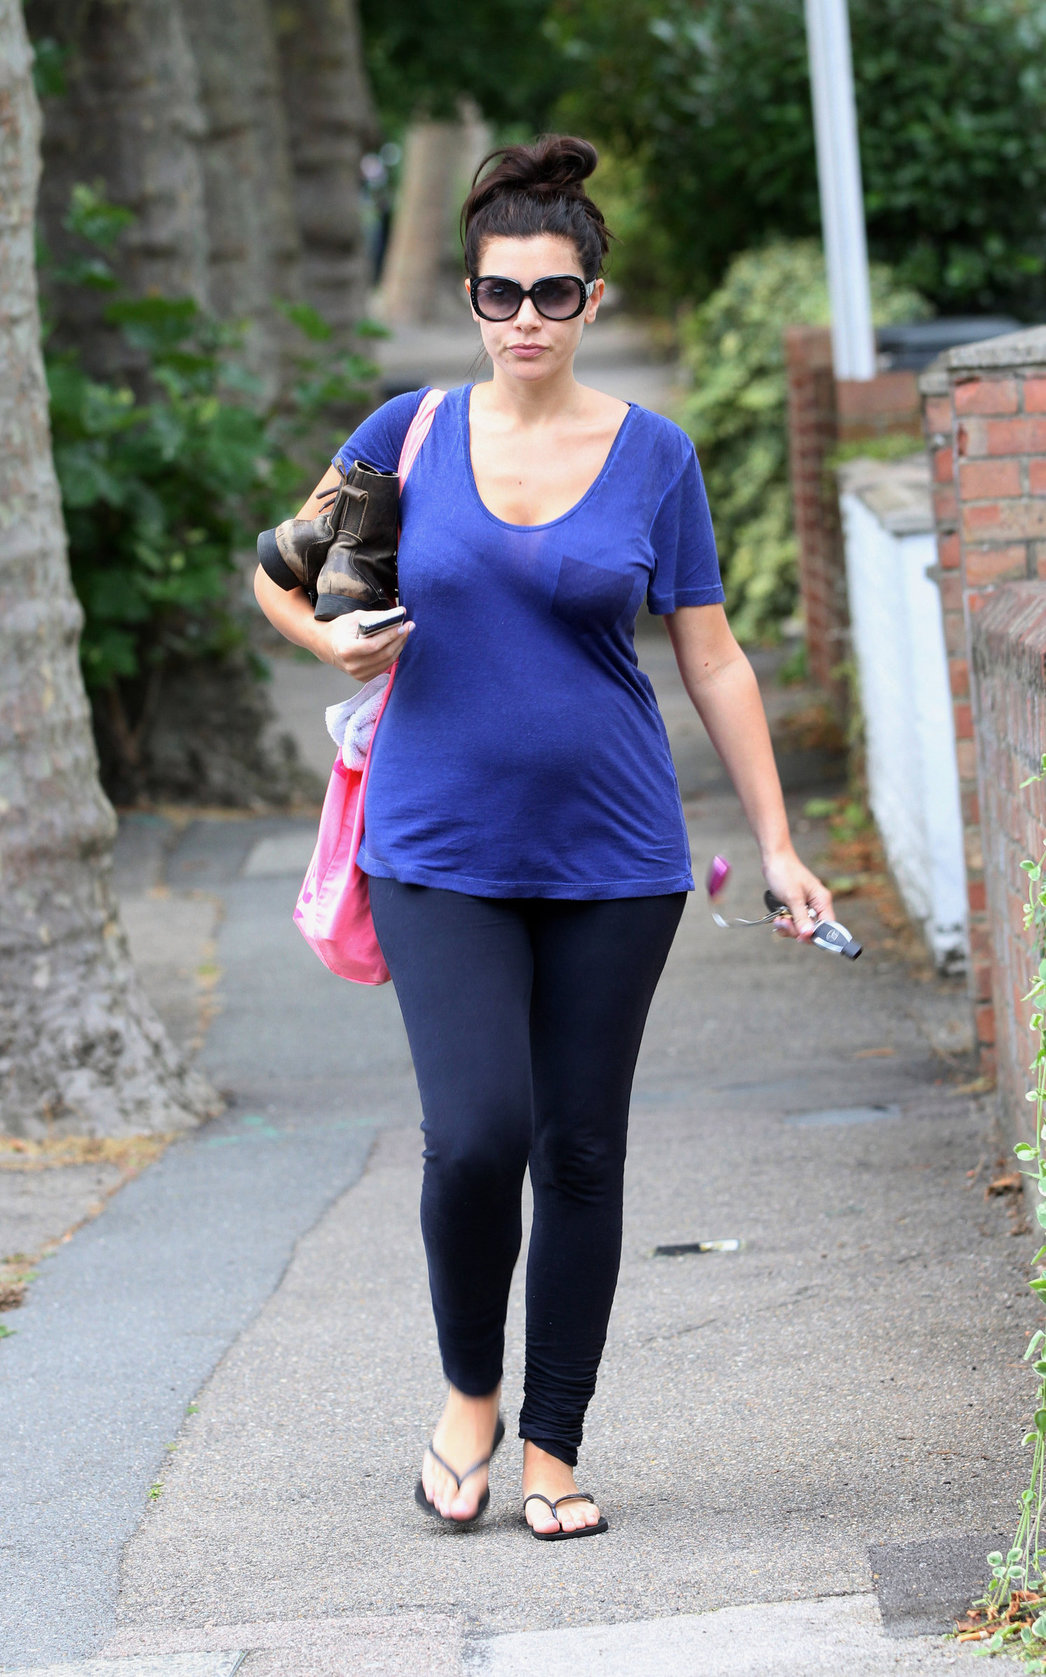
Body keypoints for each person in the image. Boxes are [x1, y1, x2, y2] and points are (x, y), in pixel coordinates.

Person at [253, 134, 833, 1541]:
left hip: (614, 858)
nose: (525, 318)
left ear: (588, 298)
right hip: (434, 845)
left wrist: (774, 841)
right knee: (476, 1134)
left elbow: (712, 662)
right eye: (500, 292)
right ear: (469, 294)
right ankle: (467, 1394)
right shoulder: (399, 436)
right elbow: (274, 571)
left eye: (554, 294)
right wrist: (327, 635)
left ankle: (553, 1444)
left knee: (579, 1150)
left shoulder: (653, 458)